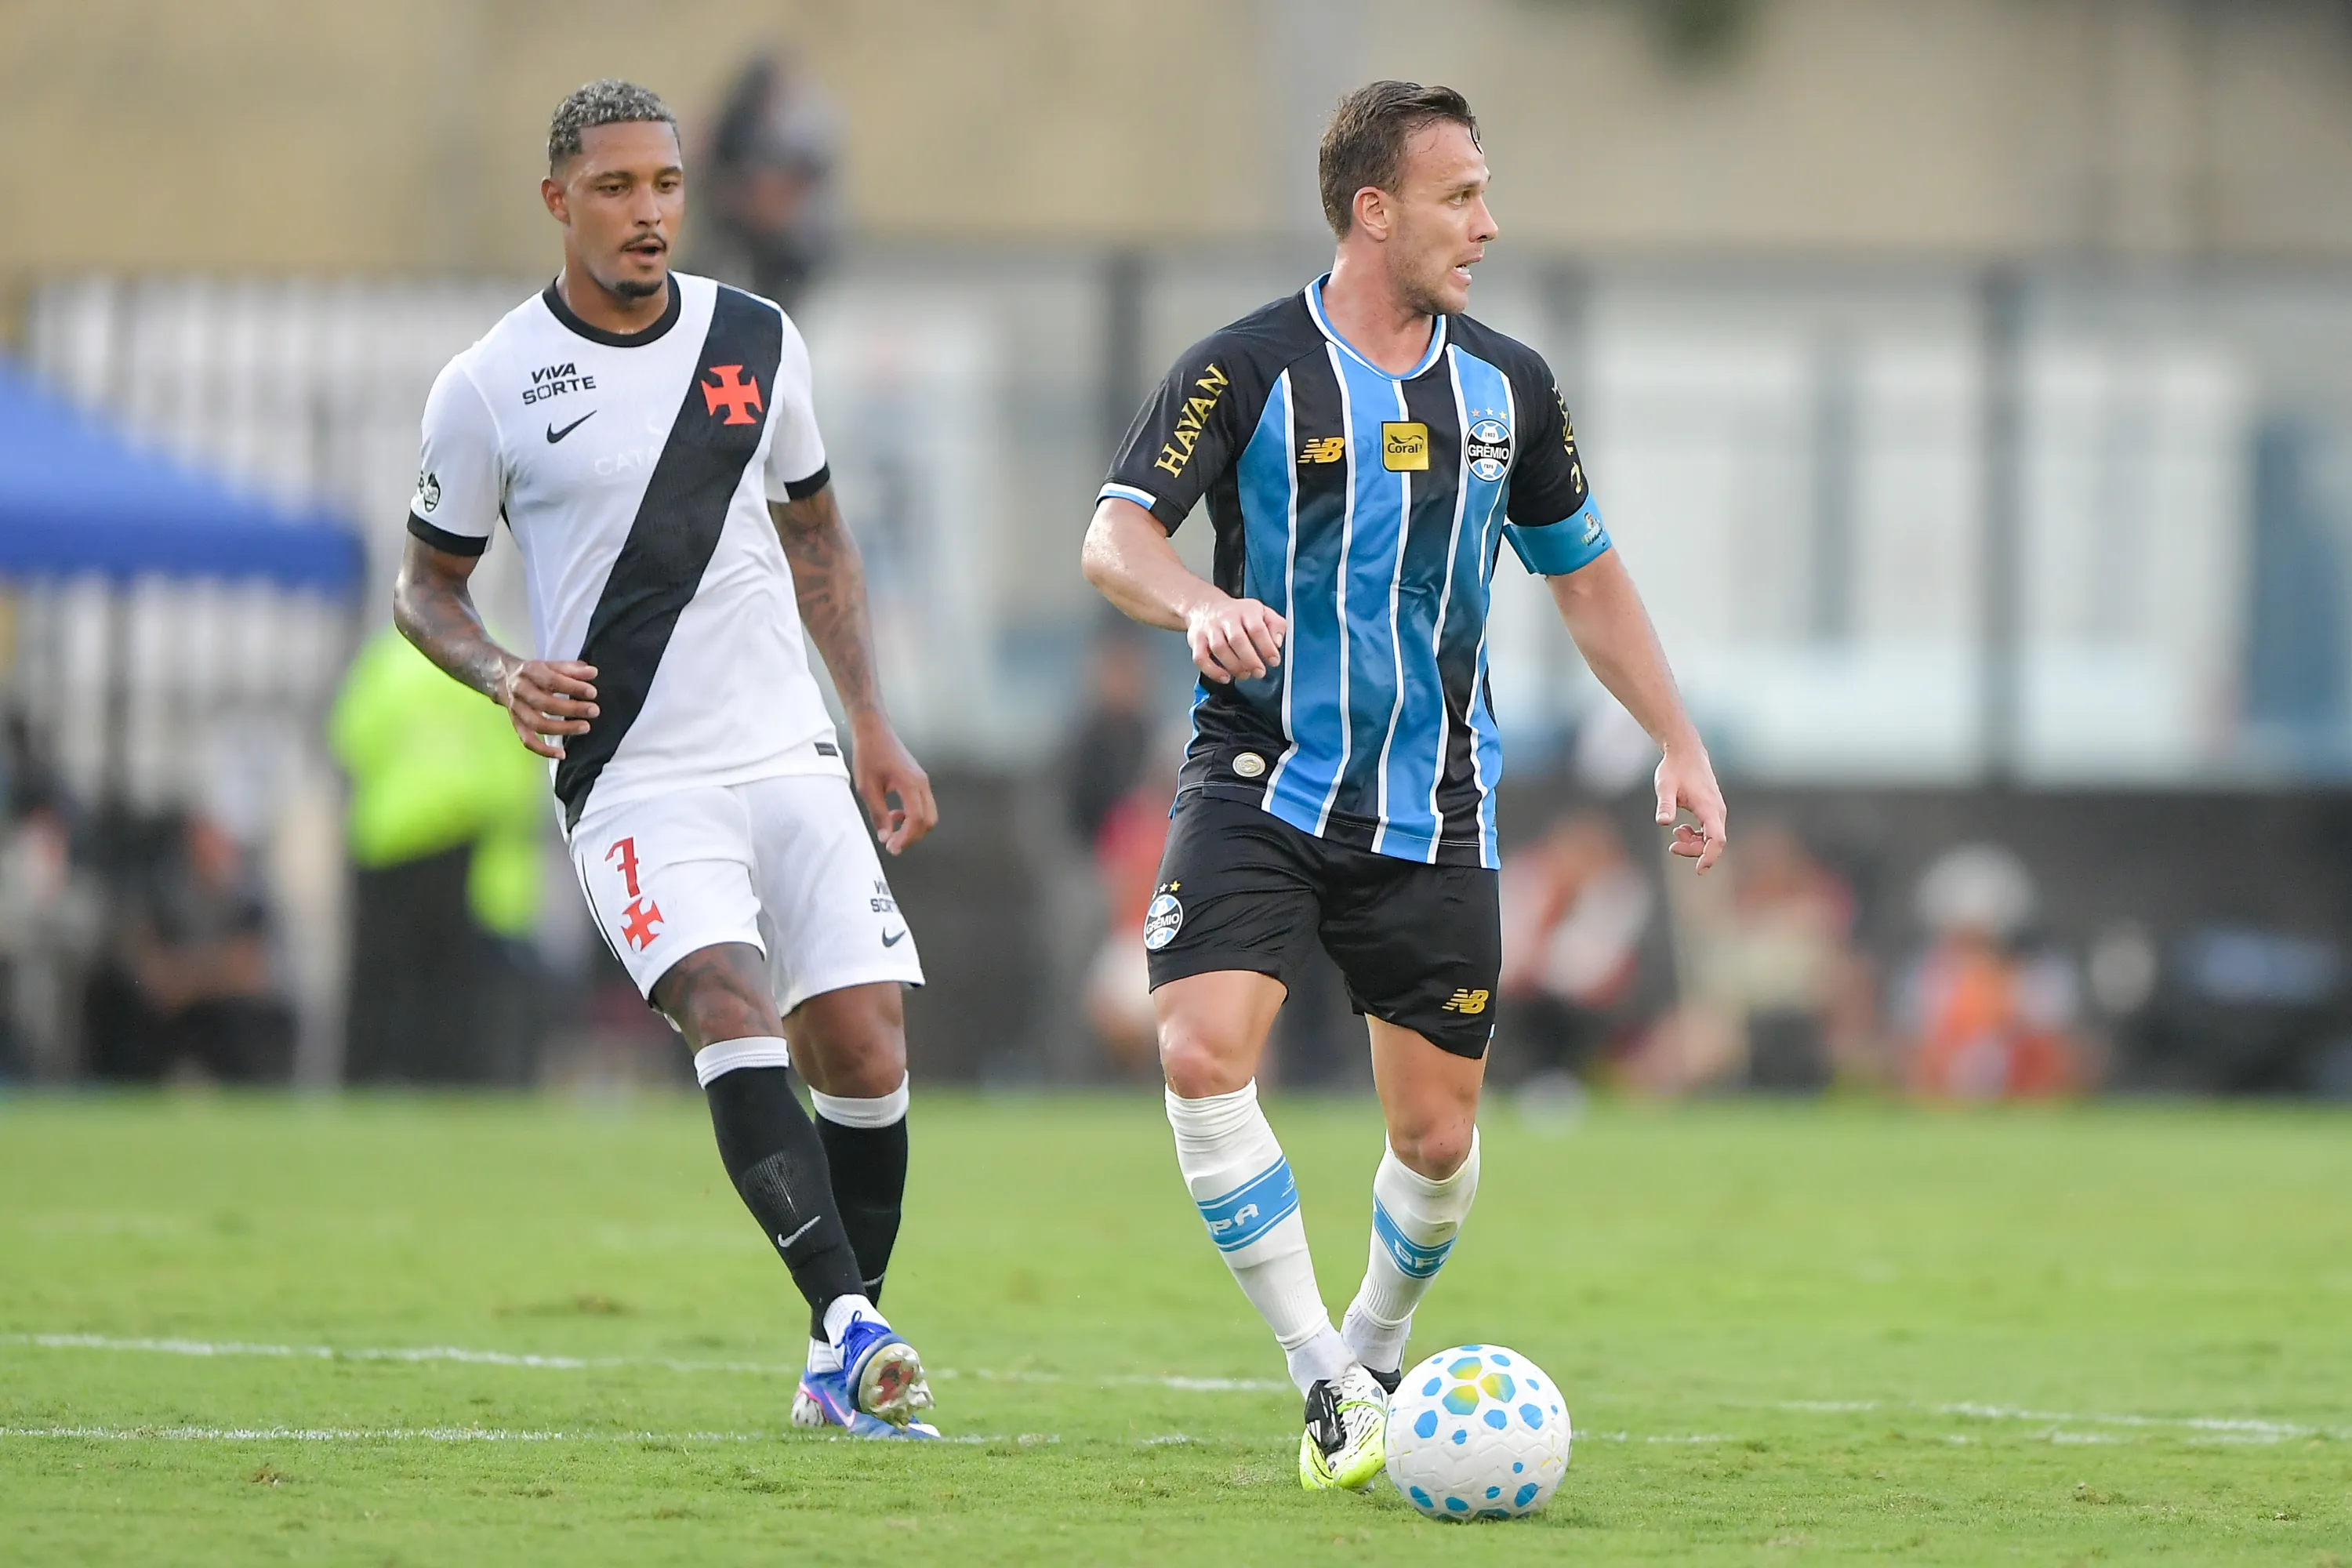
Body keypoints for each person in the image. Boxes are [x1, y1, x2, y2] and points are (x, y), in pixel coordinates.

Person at [1080, 80, 1729, 1493]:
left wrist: (1677, 742)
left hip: (1437, 803)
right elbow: (1114, 536)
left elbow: (1590, 581)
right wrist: (1195, 604)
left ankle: (1377, 1349)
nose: (1487, 225)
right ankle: (1325, 1381)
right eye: (1460, 198)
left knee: (1434, 1139)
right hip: (1258, 772)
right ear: (1374, 212)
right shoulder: (1243, 371)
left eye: (1485, 195)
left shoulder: (1513, 390)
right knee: (1198, 1050)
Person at [392, 81, 940, 1437]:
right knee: (726, 1001)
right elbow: (427, 591)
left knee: (865, 1049)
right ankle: (854, 1327)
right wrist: (503, 672)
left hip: (788, 749)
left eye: (667, 187)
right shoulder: (489, 385)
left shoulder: (756, 339)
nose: (649, 214)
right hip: (633, 773)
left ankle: (838, 1352)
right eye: (618, 188)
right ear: (558, 200)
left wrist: (869, 716)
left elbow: (816, 537)